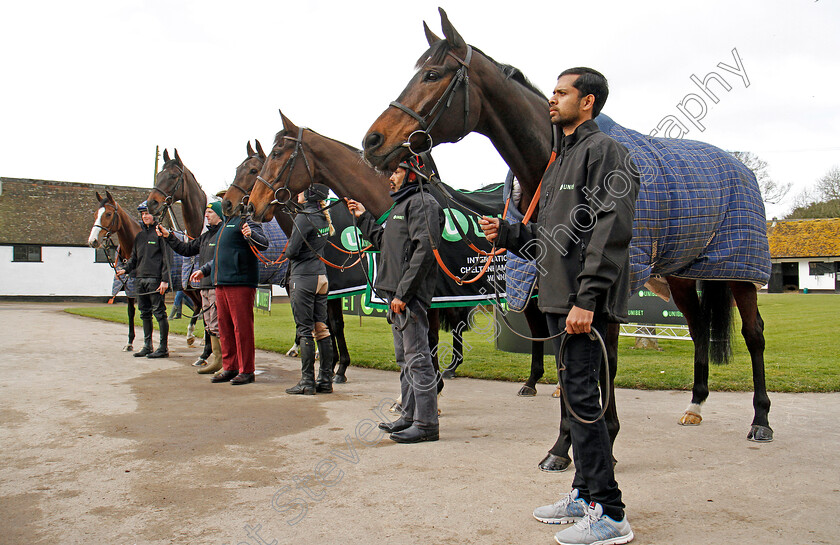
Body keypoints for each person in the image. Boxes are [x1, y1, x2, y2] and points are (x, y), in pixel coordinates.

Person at [479, 67, 639, 545]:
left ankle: (609, 513)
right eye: (552, 91)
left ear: (587, 102)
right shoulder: (557, 162)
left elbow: (610, 231)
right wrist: (508, 235)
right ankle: (582, 494)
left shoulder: (605, 152)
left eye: (562, 92)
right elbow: (550, 239)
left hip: (579, 305)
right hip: (557, 301)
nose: (552, 99)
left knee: (585, 405)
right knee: (573, 401)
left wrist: (587, 299)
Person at [346, 157, 444, 444]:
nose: (392, 176)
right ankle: (410, 415)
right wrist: (363, 216)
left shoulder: (423, 204)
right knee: (405, 359)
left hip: (407, 296)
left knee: (418, 358)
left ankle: (426, 424)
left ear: (413, 175)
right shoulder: (401, 206)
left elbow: (424, 251)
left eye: (398, 171)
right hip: (396, 294)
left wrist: (404, 293)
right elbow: (383, 243)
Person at [190, 205, 268, 385]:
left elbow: (263, 243)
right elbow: (219, 255)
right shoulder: (226, 224)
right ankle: (230, 366)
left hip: (240, 281)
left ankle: (247, 370)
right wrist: (205, 270)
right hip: (222, 282)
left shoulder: (247, 220)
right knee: (225, 328)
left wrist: (251, 235)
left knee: (242, 328)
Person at [157, 199, 225, 375]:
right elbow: (186, 249)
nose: (206, 216)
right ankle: (217, 359)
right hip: (204, 286)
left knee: (218, 323)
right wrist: (168, 236)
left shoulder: (224, 234)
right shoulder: (206, 236)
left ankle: (224, 360)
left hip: (217, 285)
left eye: (210, 213)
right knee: (209, 323)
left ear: (219, 214)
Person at [285, 183, 335, 395]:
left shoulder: (303, 217)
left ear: (310, 195)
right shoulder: (323, 216)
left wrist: (288, 248)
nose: (298, 193)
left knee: (304, 329)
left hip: (303, 277)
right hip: (321, 276)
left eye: (302, 191)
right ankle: (325, 380)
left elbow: (292, 251)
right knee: (321, 328)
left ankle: (307, 381)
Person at [116, 200, 171, 359]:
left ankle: (163, 347)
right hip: (140, 279)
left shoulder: (161, 234)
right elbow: (134, 259)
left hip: (155, 279)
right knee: (144, 313)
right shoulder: (139, 236)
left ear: (155, 215)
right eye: (143, 214)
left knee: (159, 313)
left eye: (148, 213)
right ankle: (148, 345)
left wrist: (165, 280)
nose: (145, 216)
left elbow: (167, 259)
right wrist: (124, 269)